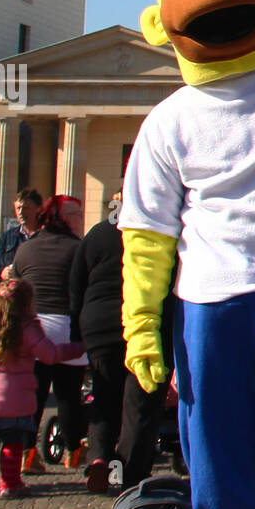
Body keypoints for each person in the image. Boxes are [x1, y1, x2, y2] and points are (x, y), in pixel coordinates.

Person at [69, 191, 173, 493]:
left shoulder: (98, 234)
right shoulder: (155, 231)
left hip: (99, 324)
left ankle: (100, 458)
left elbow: (76, 282)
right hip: (142, 323)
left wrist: (77, 332)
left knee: (104, 395)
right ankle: (130, 473)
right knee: (140, 402)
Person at [0, 278, 85, 499]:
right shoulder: (27, 327)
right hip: (14, 399)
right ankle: (10, 484)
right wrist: (78, 348)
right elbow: (50, 355)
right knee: (12, 441)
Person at [13, 194, 87, 471]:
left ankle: (28, 454)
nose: (80, 218)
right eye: (76, 213)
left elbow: (17, 284)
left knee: (33, 396)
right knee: (68, 395)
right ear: (63, 217)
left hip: (32, 330)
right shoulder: (77, 248)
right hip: (67, 327)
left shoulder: (26, 249)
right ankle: (72, 451)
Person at [0, 188, 42, 281]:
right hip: (13, 291)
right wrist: (2, 273)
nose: (21, 212)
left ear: (38, 210)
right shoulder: (7, 238)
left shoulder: (47, 237)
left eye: (26, 208)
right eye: (18, 208)